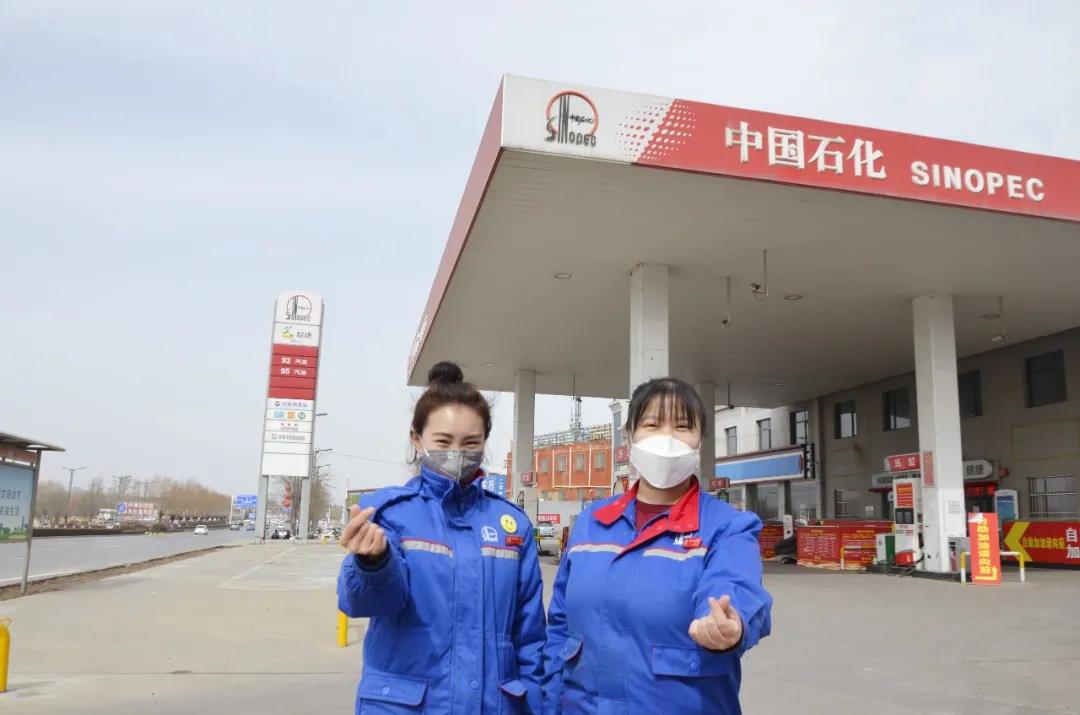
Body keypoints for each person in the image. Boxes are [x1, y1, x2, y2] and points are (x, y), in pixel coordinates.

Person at [542, 377, 773, 714]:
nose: (667, 438)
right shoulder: (592, 522)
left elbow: (735, 584)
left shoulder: (727, 526)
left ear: (700, 441)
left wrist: (730, 622)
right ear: (630, 436)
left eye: (683, 426)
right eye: (652, 425)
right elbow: (560, 627)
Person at [337, 361, 546, 713]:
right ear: (417, 439)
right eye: (444, 441)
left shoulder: (512, 525)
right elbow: (362, 604)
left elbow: (530, 638)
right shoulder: (387, 513)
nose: (457, 453)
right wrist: (373, 564)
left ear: (485, 442)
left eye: (470, 443)